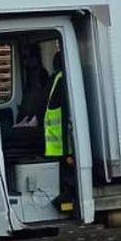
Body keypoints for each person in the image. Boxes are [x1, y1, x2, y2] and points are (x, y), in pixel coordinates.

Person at [44, 50, 75, 212]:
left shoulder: (55, 79)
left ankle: (68, 205)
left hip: (56, 142)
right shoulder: (63, 80)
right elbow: (66, 115)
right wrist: (68, 152)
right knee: (67, 177)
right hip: (62, 143)